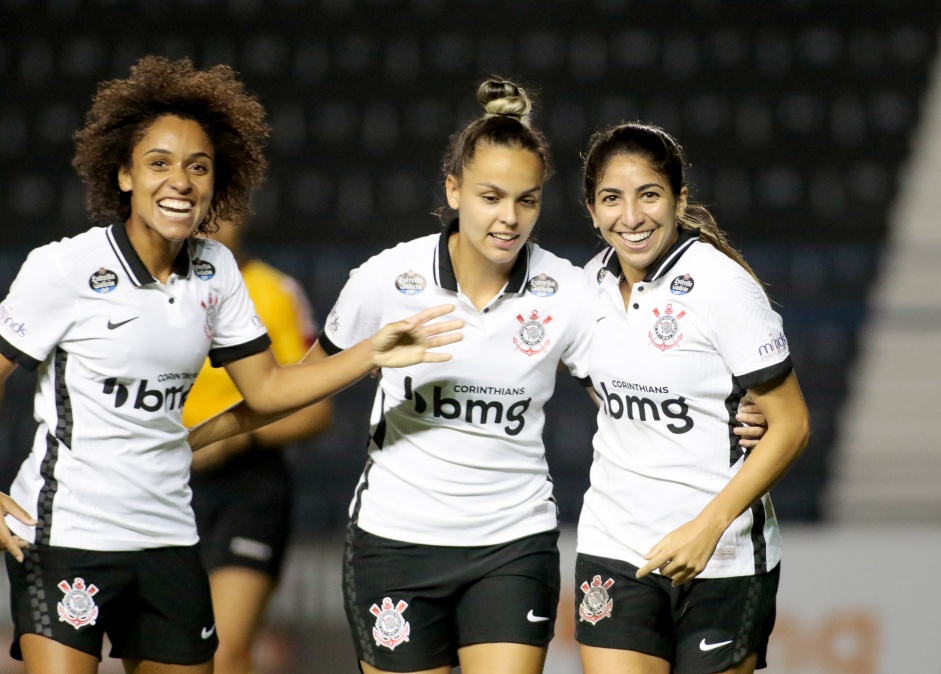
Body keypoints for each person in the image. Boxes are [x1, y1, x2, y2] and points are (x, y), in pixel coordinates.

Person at [187, 81, 768, 674]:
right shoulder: (387, 278)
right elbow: (289, 390)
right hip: (395, 545)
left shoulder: (568, 291)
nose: (508, 218)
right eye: (491, 196)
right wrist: (192, 438)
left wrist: (736, 407)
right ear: (454, 190)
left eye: (527, 200)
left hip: (512, 546)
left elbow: (633, 383)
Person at [0, 55, 460, 674]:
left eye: (199, 167)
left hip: (168, 533)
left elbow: (268, 392)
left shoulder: (215, 270)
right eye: (159, 163)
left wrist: (369, 353)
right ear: (124, 175)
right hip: (64, 534)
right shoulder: (63, 270)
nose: (181, 181)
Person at [573, 122, 811, 674]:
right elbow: (605, 392)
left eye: (649, 195)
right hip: (615, 545)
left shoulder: (723, 286)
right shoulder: (587, 288)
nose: (631, 217)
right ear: (591, 209)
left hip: (723, 559)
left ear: (679, 199)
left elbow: (792, 425)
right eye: (612, 199)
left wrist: (708, 527)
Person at [182, 215, 332, 674]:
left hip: (245, 487)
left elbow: (313, 410)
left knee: (225, 651)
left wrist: (227, 441)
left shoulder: (274, 292)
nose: (207, 223)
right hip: (161, 482)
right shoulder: (148, 292)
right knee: (169, 652)